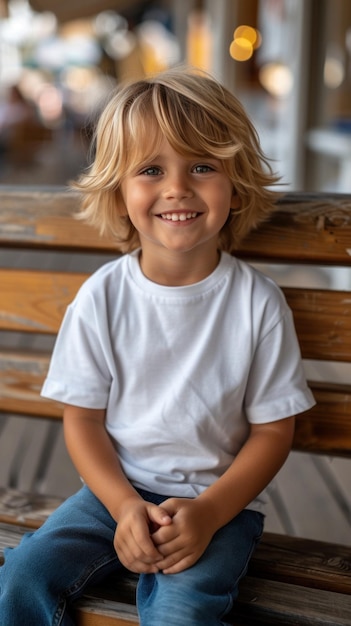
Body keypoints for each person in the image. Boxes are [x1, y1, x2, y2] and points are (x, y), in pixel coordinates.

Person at [0, 66, 315, 626]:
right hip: (110, 496)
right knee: (22, 575)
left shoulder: (256, 304)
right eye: (150, 169)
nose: (177, 187)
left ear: (236, 185)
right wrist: (123, 506)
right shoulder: (102, 297)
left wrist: (211, 511)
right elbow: (83, 421)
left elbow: (273, 430)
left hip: (217, 505)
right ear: (120, 194)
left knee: (183, 613)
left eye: (202, 166)